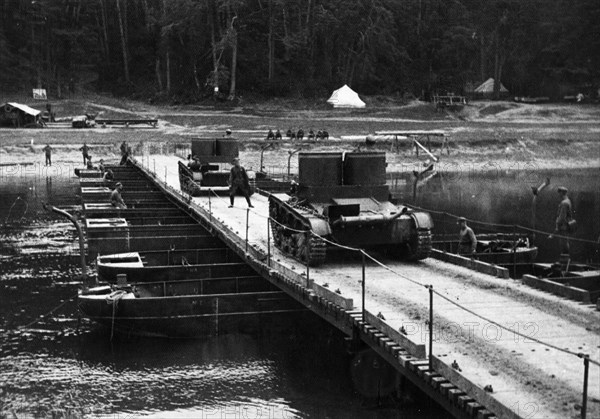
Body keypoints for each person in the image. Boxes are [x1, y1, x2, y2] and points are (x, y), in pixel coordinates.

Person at [549, 186, 573, 254]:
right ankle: (565, 259)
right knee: (565, 242)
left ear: (562, 193)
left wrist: (557, 227)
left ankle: (564, 259)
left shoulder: (564, 203)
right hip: (566, 226)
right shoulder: (568, 201)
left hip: (563, 226)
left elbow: (562, 217)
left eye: (559, 193)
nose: (558, 195)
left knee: (563, 243)